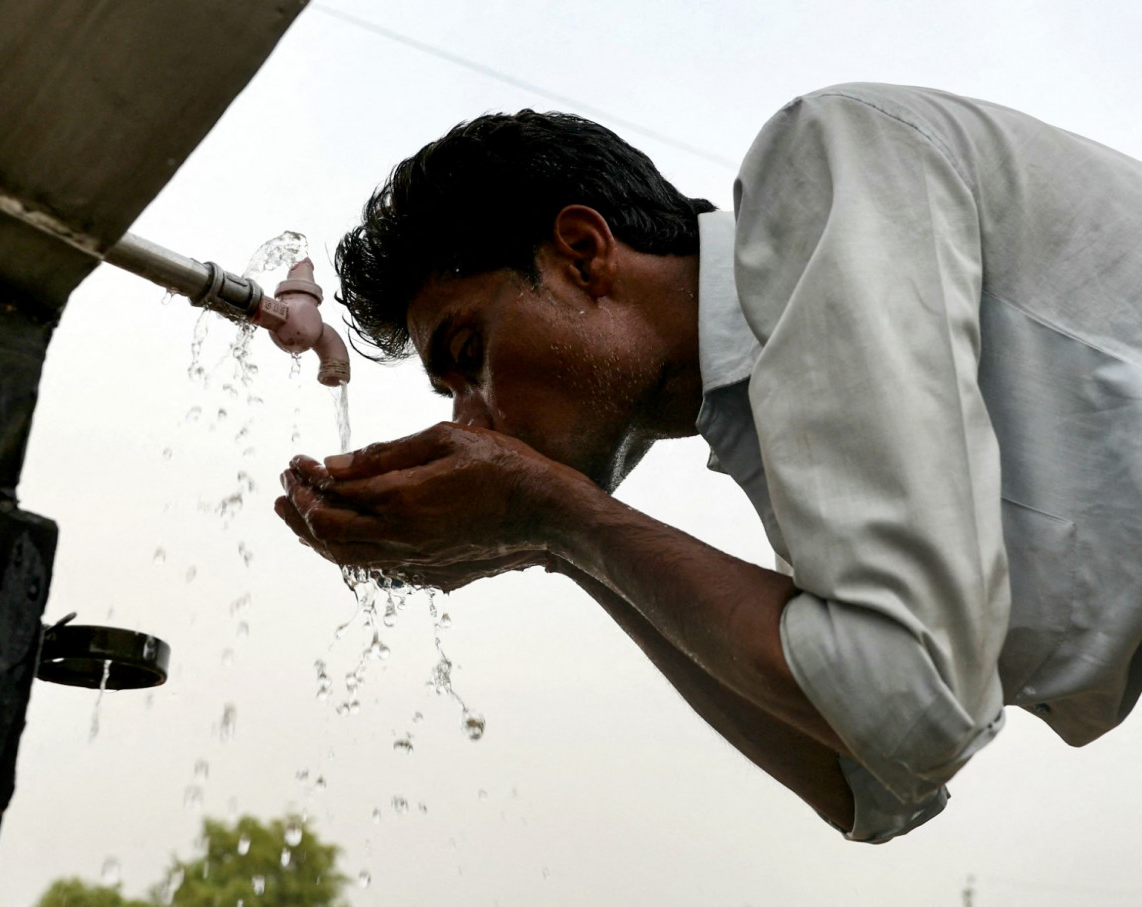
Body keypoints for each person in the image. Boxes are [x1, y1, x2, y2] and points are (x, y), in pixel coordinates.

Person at [273, 83, 1142, 843]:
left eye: (470, 353)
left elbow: (905, 696)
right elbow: (866, 783)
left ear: (582, 254)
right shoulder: (783, 407)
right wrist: (559, 539)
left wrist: (558, 512)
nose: (475, 420)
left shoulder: (830, 158)